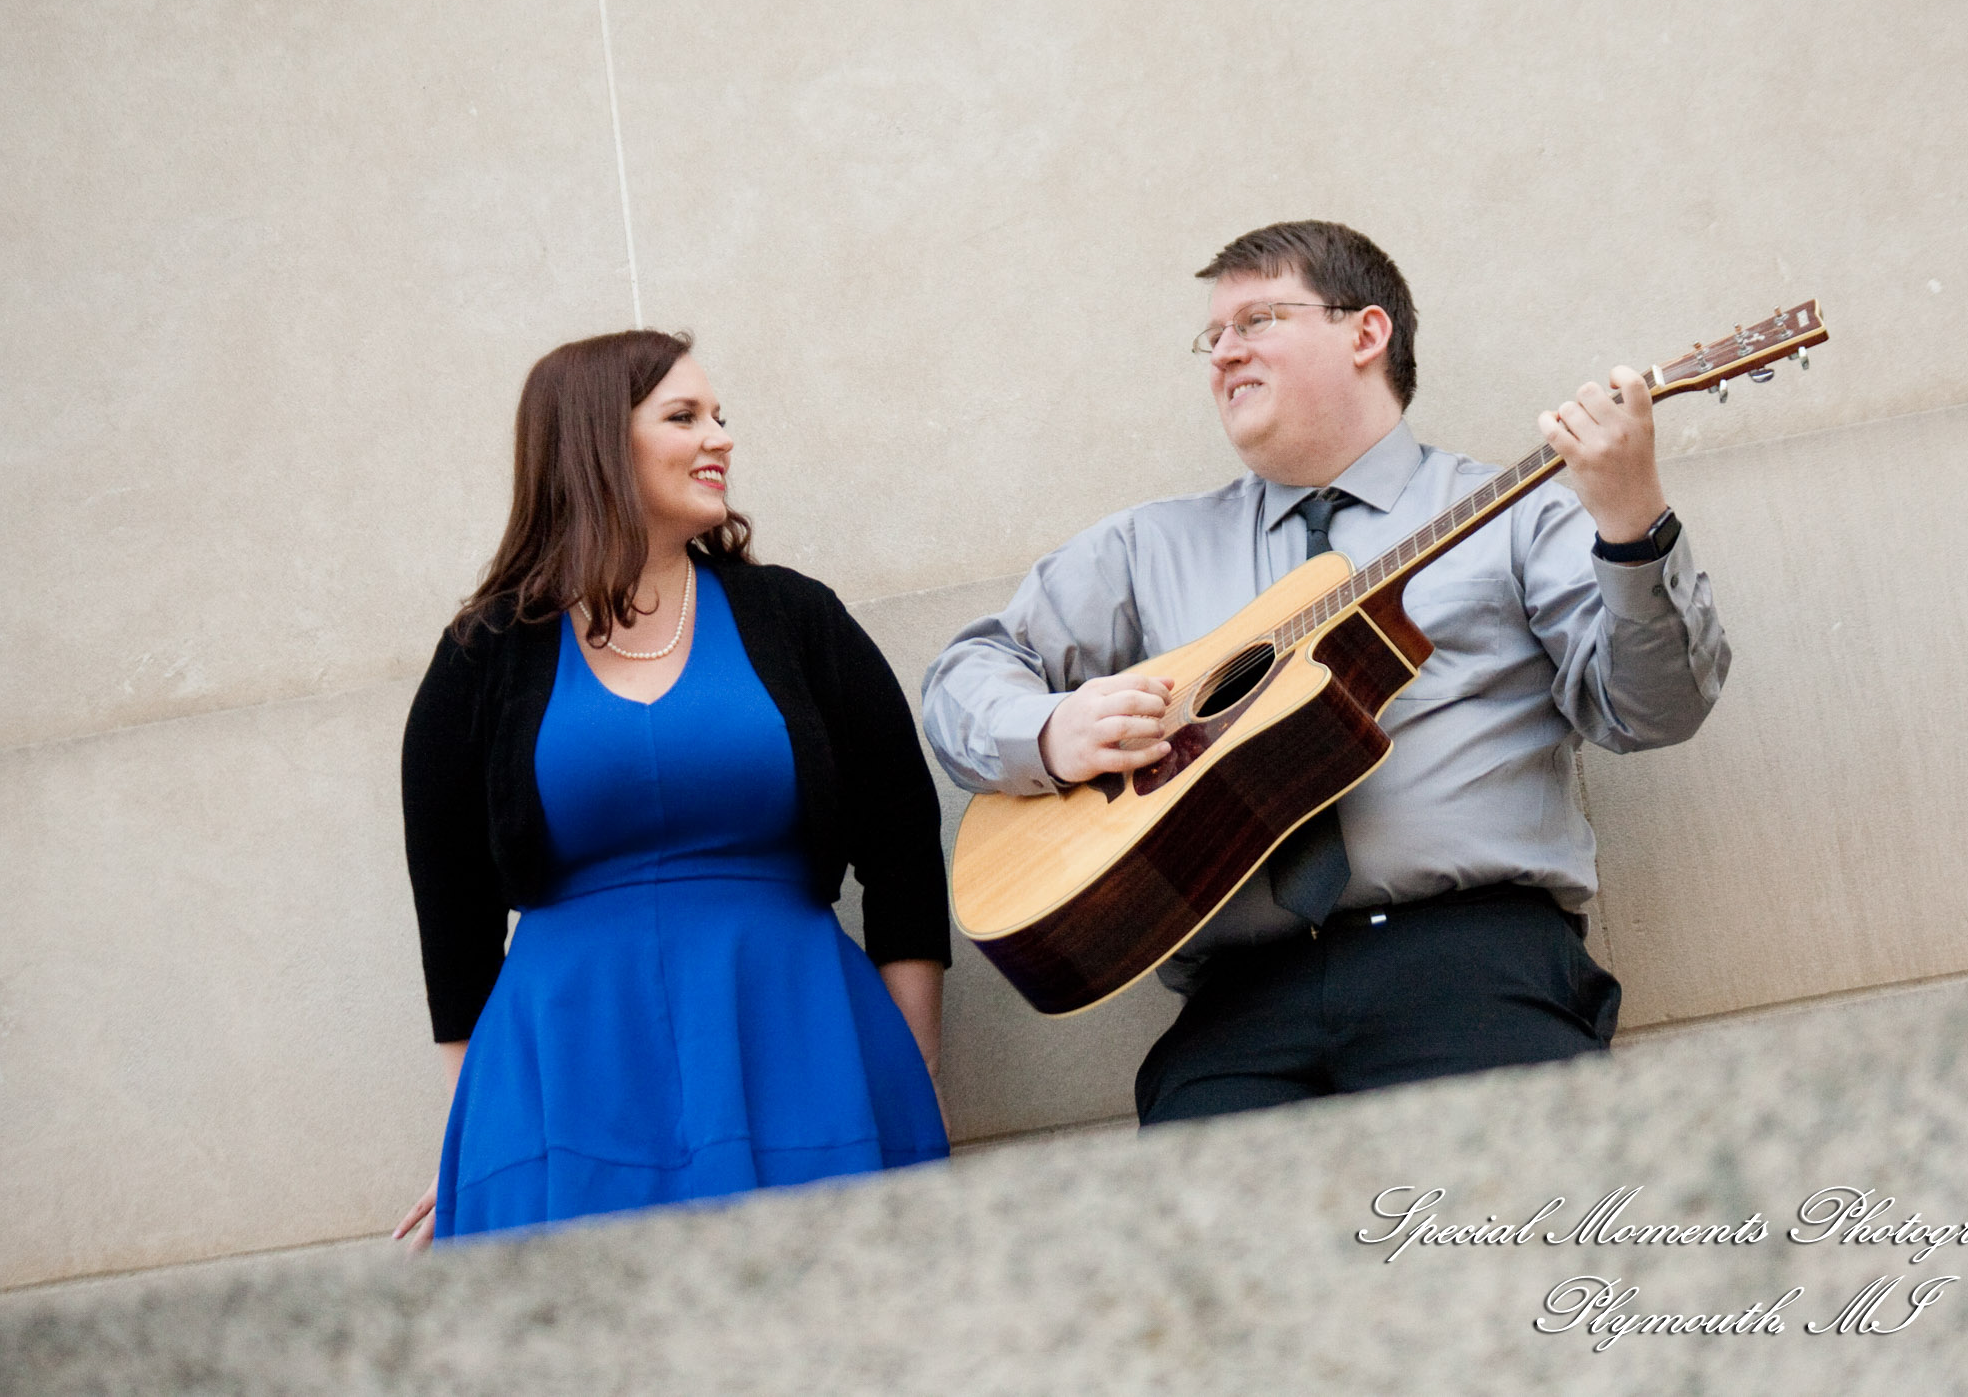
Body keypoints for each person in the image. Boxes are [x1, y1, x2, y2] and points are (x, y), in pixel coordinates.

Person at [921, 220, 1728, 1125]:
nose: (1223, 353)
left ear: (1365, 333)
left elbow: (1653, 710)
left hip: (1470, 969)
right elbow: (967, 673)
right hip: (1236, 1007)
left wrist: (1631, 525)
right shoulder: (1148, 547)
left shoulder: (1515, 512)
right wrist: (1049, 734)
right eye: (1212, 336)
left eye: (1256, 319)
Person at [393, 330, 950, 1247]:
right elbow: (448, 910)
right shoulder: (482, 653)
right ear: (596, 442)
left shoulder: (795, 616)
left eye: (719, 417)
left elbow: (901, 842)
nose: (720, 438)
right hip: (565, 1070)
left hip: (800, 1041)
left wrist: (909, 1062)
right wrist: (478, 1125)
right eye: (684, 417)